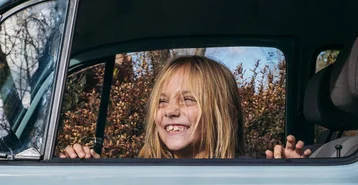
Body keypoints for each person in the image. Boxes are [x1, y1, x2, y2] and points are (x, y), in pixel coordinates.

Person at [59, 55, 311, 160]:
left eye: (188, 100)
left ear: (225, 112)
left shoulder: (250, 176)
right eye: (162, 101)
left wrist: (295, 181)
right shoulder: (143, 174)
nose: (170, 110)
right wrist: (91, 173)